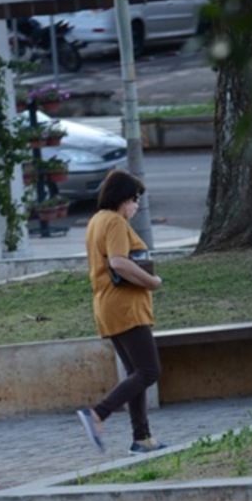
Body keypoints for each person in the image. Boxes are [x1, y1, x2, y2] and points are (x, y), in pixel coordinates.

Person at [77, 169, 166, 455]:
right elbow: (118, 262)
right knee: (149, 371)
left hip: (107, 305)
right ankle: (97, 414)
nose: (136, 206)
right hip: (125, 307)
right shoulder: (114, 221)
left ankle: (142, 438)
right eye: (135, 199)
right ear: (123, 198)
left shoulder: (96, 221)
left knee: (135, 372)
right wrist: (152, 281)